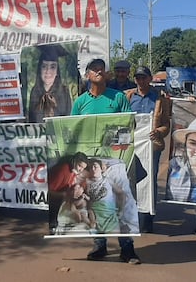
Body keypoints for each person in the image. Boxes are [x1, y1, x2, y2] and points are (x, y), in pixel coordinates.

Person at [71, 58, 140, 265]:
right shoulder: (80, 102)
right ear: (87, 75)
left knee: (122, 203)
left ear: (107, 74)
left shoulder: (118, 98)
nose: (98, 71)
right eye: (94, 69)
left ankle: (127, 248)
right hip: (91, 165)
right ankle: (99, 245)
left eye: (102, 69)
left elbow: (130, 125)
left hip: (115, 161)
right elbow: (73, 130)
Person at [124, 66, 172, 233]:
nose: (141, 80)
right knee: (130, 180)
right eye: (138, 77)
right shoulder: (127, 96)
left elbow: (166, 124)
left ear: (150, 78)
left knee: (149, 180)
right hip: (131, 145)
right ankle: (131, 217)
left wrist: (158, 131)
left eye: (144, 77)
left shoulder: (160, 98)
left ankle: (147, 220)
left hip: (152, 146)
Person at [28, 44, 73, 122]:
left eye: (52, 67)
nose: (48, 71)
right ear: (39, 70)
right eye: (44, 66)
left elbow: (68, 121)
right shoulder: (34, 92)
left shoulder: (64, 92)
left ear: (57, 72)